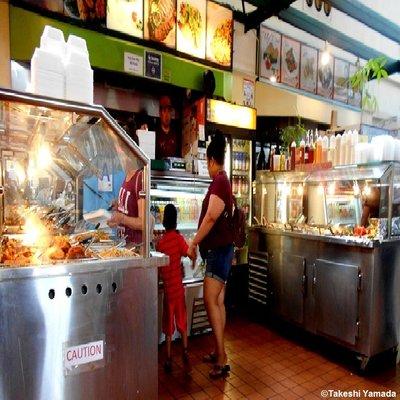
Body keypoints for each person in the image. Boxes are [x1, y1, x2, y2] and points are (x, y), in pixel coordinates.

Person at [188, 134, 234, 379]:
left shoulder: (219, 182)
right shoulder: (222, 181)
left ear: (210, 159)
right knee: (218, 302)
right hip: (221, 252)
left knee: (209, 299)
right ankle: (219, 353)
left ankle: (222, 358)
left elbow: (211, 217)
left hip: (219, 253)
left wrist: (194, 241)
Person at [156, 204, 193, 373]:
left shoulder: (161, 243)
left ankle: (169, 357)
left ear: (164, 221)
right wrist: (194, 251)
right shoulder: (178, 239)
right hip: (178, 288)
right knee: (182, 319)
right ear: (176, 221)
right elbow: (188, 253)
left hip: (168, 289)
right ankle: (185, 351)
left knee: (168, 323)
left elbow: (159, 268)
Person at [107, 138, 145, 246]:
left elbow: (143, 223)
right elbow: (131, 208)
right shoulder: (127, 175)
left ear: (130, 152)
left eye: (120, 153)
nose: (118, 159)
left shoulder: (140, 178)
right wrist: (119, 205)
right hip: (123, 245)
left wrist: (122, 218)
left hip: (135, 248)